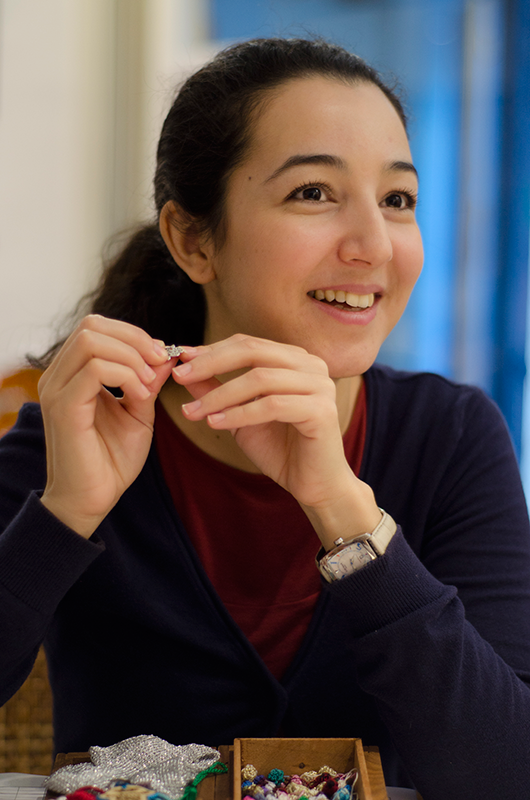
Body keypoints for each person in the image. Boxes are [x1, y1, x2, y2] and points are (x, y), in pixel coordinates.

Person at [1, 37, 529, 800]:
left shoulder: (450, 436)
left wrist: (346, 513)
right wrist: (64, 515)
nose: (373, 245)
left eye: (397, 200)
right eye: (313, 192)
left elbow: (509, 775)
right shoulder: (79, 431)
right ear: (193, 240)